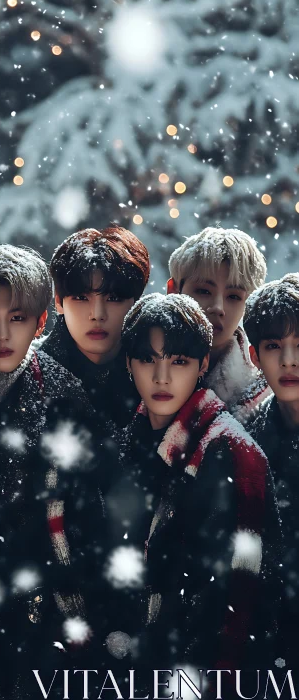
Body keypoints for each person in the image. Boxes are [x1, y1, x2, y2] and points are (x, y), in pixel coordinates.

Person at [0, 244, 111, 699]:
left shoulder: (65, 397)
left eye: (18, 318)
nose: (2, 334)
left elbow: (92, 515)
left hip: (41, 618)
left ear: (41, 322)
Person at [109, 292, 280, 684]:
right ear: (129, 363)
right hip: (135, 667)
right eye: (148, 359)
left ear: (203, 364)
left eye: (179, 361)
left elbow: (238, 602)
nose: (162, 377)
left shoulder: (231, 453)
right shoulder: (129, 442)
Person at [42, 225, 150, 427]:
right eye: (82, 298)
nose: (98, 315)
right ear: (59, 302)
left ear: (135, 302)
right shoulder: (33, 378)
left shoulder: (157, 375)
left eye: (114, 298)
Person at [244, 273, 299, 666]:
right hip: (268, 638)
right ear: (255, 357)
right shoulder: (246, 441)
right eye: (274, 346)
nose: (289, 360)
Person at [168, 226, 271, 422]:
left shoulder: (263, 398)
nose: (217, 307)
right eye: (204, 291)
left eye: (233, 296)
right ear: (173, 290)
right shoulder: (139, 368)